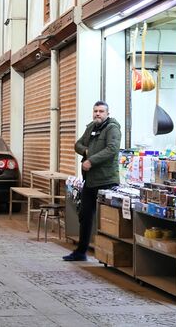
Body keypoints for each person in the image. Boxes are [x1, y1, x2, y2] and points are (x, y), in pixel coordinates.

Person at [63, 101, 121, 261]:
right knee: (85, 214)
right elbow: (78, 144)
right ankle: (81, 252)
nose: (98, 114)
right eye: (95, 111)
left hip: (106, 180)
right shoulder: (91, 127)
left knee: (109, 218)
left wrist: (91, 160)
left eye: (101, 111)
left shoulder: (112, 128)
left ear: (107, 113)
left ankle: (110, 254)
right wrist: (86, 151)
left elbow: (112, 149)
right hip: (90, 180)